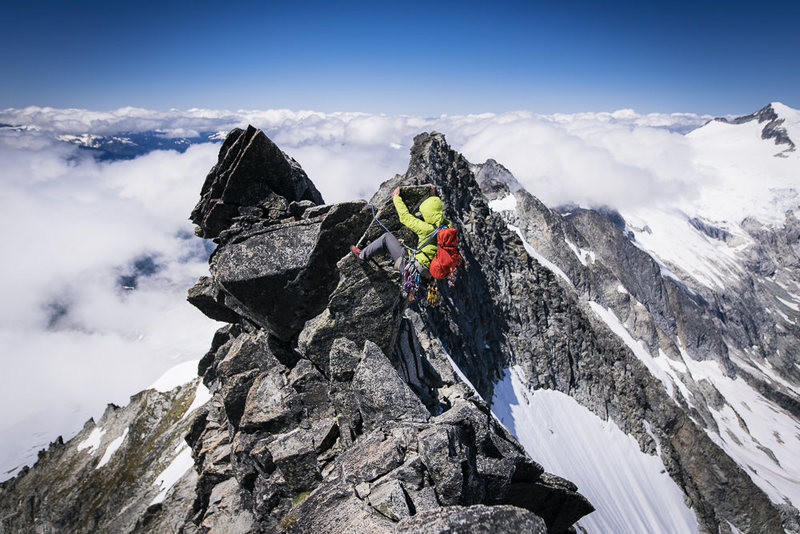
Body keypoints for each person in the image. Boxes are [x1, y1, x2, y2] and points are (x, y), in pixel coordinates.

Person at [351, 185, 450, 279]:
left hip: (412, 269)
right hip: (427, 275)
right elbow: (434, 209)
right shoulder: (447, 228)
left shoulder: (427, 229)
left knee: (387, 237)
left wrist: (396, 198)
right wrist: (432, 197)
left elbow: (405, 218)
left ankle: (362, 256)